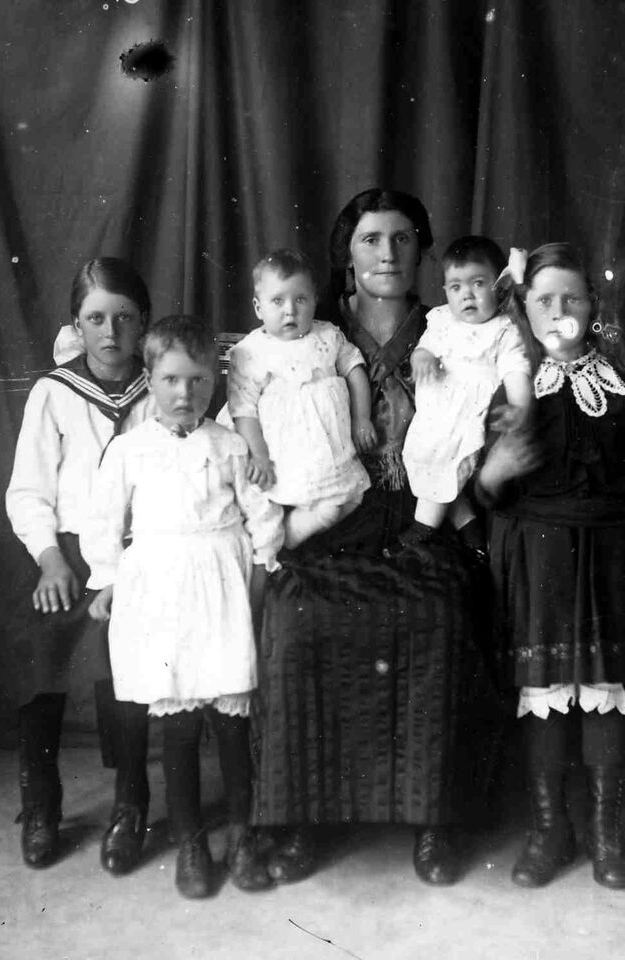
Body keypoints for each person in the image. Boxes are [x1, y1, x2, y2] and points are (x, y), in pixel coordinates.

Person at [251, 189, 503, 886]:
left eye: (402, 238)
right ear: (347, 253)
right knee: (298, 619)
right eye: (370, 239)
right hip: (339, 515)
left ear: (422, 249)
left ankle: (434, 818)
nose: (387, 253)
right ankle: (304, 816)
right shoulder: (310, 334)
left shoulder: (455, 327)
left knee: (437, 614)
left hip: (426, 512)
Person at [83, 315, 284, 898]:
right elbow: (103, 520)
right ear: (149, 379)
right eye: (171, 379)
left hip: (221, 583)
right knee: (178, 725)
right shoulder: (129, 450)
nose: (184, 393)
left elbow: (262, 513)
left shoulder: (229, 445)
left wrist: (261, 570)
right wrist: (107, 579)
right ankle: (192, 841)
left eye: (197, 380)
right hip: (159, 591)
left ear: (214, 381)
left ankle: (243, 837)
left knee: (231, 722)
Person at [476, 242, 625, 889]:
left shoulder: (618, 384)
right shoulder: (514, 387)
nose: (559, 310)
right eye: (545, 300)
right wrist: (495, 471)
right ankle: (549, 829)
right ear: (526, 309)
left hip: (610, 557)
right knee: (546, 696)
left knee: (607, 696)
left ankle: (607, 833)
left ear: (593, 305)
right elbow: (486, 492)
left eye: (572, 298)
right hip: (538, 556)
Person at [5, 258, 155, 873]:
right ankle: (41, 800)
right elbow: (28, 490)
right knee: (42, 656)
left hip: (141, 552)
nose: (110, 332)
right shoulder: (54, 392)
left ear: (143, 322)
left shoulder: (163, 388)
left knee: (130, 671)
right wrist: (48, 560)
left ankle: (130, 803)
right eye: (95, 319)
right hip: (65, 554)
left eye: (124, 317)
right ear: (76, 325)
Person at [225, 248, 374, 548]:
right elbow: (243, 409)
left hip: (330, 449)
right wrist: (259, 455)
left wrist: (362, 418)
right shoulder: (251, 351)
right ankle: (280, 539)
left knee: (351, 498)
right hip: (282, 452)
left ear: (315, 301)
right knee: (270, 503)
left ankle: (290, 536)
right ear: (258, 307)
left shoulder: (328, 335)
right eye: (277, 301)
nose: (290, 311)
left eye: (300, 299)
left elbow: (355, 369)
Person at [397, 236, 532, 556]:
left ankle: (422, 528)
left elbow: (516, 370)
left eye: (478, 283)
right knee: (434, 468)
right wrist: (422, 357)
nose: (466, 294)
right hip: (433, 415)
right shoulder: (442, 319)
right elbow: (425, 348)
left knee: (444, 466)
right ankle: (471, 531)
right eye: (456, 286)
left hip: (466, 416)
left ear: (500, 287)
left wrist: (519, 406)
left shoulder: (504, 329)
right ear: (445, 290)